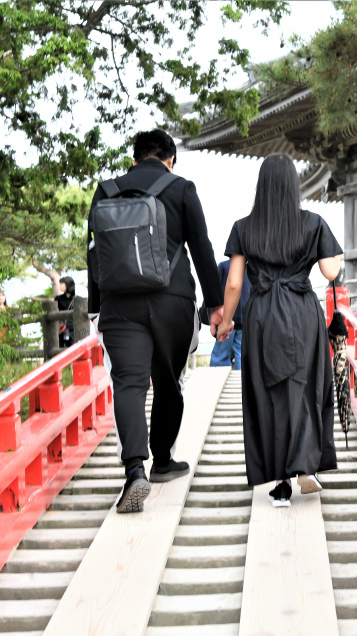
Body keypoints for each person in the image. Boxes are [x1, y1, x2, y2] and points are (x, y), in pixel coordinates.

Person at [88, 129, 225, 513]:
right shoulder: (181, 188)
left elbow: (93, 254)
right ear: (170, 160)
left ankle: (135, 469)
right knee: (169, 381)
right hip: (172, 302)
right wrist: (215, 304)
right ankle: (162, 459)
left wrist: (97, 309)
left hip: (119, 305)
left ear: (134, 160)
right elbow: (201, 246)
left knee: (129, 384)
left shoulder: (107, 190)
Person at [216, 153, 344, 508]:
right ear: (293, 185)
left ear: (262, 185)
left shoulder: (244, 227)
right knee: (304, 388)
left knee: (267, 394)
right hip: (302, 312)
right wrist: (338, 256)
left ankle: (281, 484)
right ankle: (306, 465)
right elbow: (330, 273)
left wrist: (226, 321)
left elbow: (234, 284)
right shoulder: (313, 222)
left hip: (261, 317)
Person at [209, 259, 251, 370]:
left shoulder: (224, 266)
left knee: (221, 353)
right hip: (246, 316)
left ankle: (217, 380)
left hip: (227, 315)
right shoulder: (250, 268)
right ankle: (241, 383)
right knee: (240, 353)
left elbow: (215, 289)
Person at [55, 276, 77, 348]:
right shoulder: (58, 299)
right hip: (62, 328)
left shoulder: (77, 299)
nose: (60, 286)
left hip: (74, 329)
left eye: (62, 283)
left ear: (68, 285)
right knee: (61, 349)